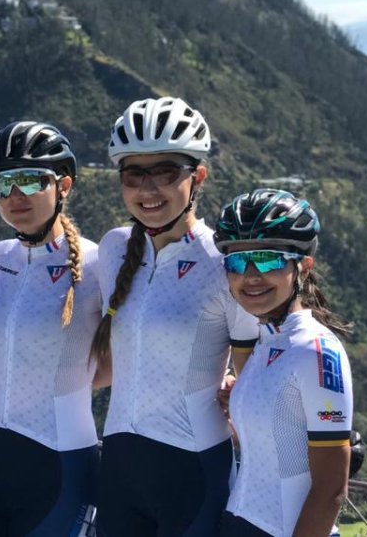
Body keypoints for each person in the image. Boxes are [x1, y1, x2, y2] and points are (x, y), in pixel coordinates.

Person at [90, 97, 259, 537]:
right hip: (119, 466)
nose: (148, 190)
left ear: (197, 177)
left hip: (194, 472)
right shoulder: (111, 250)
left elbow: (254, 381)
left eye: (165, 172)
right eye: (134, 174)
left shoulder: (224, 265)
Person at [0, 121, 103, 536]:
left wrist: (77, 376)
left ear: (63, 185)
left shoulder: (97, 263)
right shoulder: (0, 257)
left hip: (60, 462)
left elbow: (132, 351)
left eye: (30, 181)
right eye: (3, 185)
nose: (15, 196)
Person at [215, 189, 352, 537]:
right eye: (236, 263)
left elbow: (331, 490)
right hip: (238, 522)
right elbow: (276, 447)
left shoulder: (317, 349)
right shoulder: (268, 339)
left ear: (303, 266)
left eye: (267, 260)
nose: (250, 276)